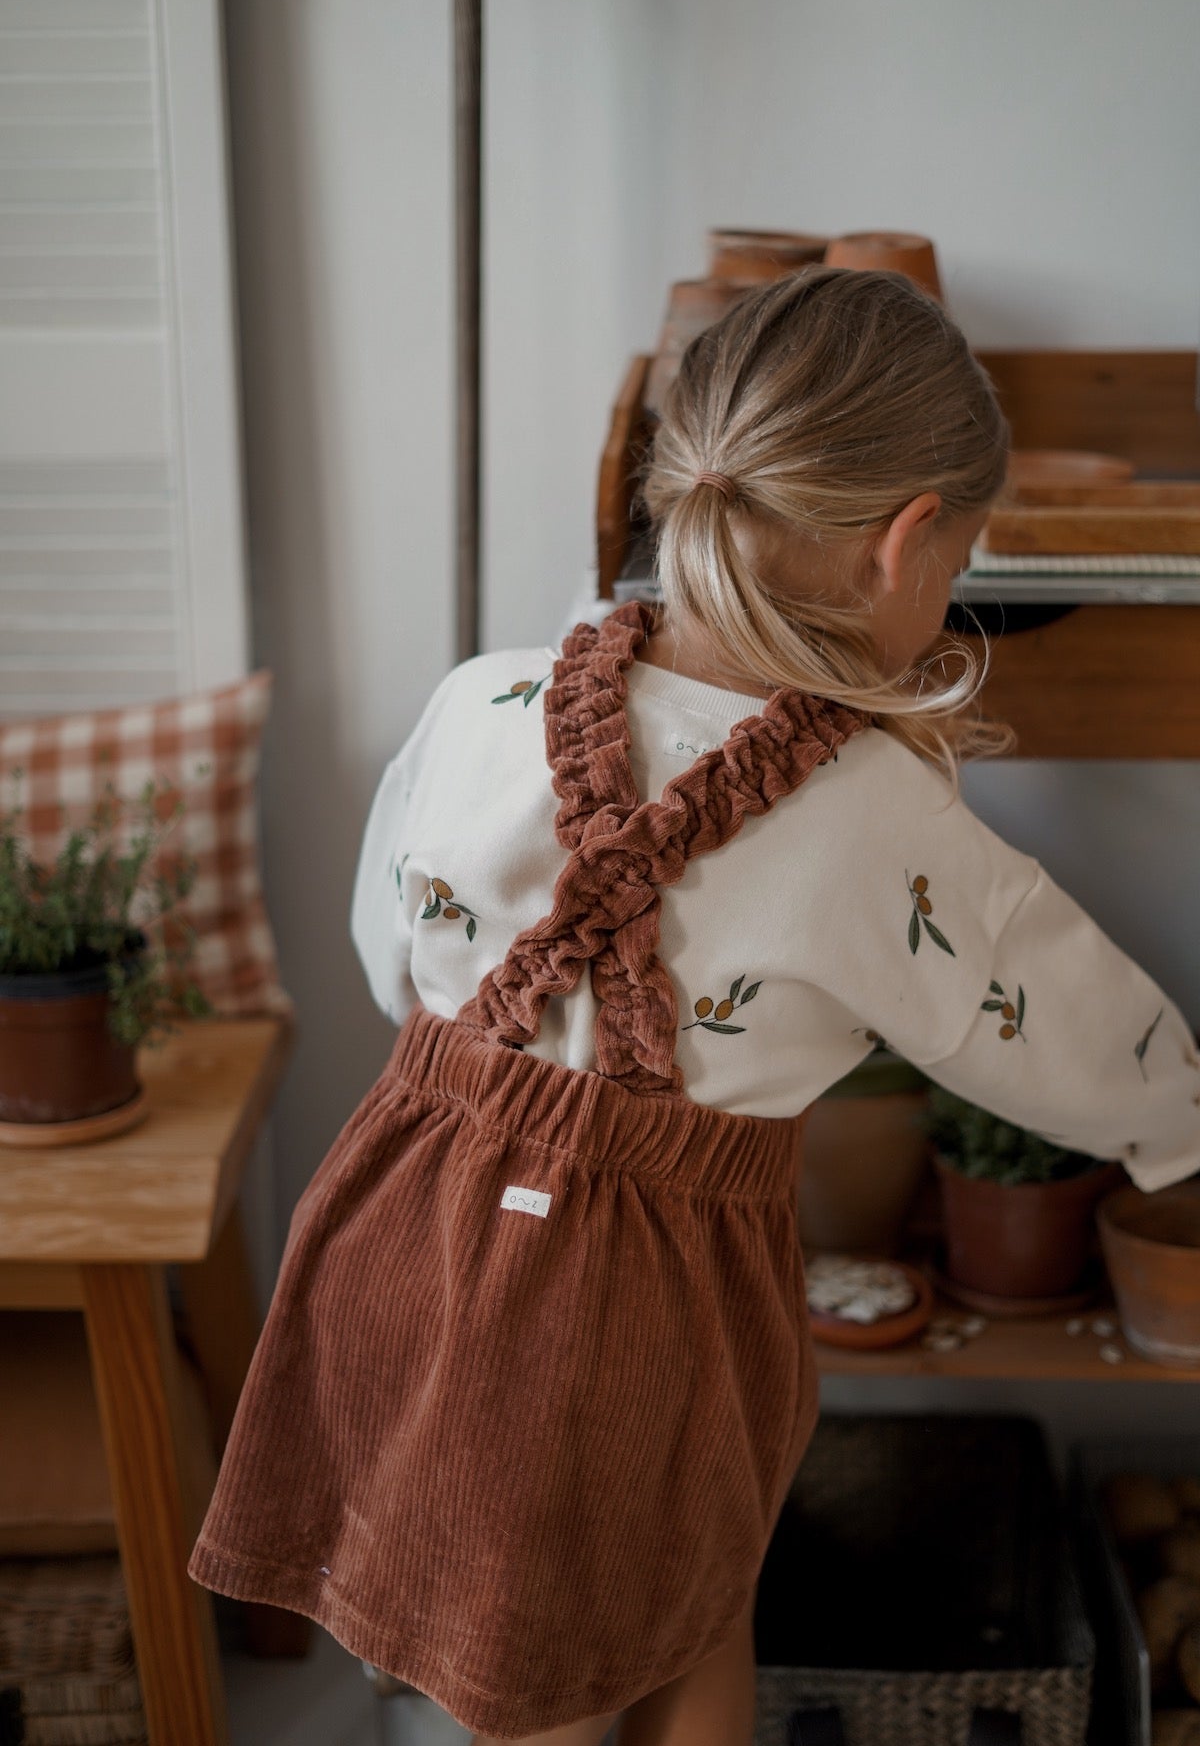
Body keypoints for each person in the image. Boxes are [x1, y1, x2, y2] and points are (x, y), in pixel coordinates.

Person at [190, 269, 1200, 1746]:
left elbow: (385, 947)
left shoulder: (480, 697)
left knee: (550, 1646)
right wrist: (1182, 1125)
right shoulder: (869, 818)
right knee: (657, 1613)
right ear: (909, 544)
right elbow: (1059, 1021)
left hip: (401, 1210)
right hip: (637, 1297)